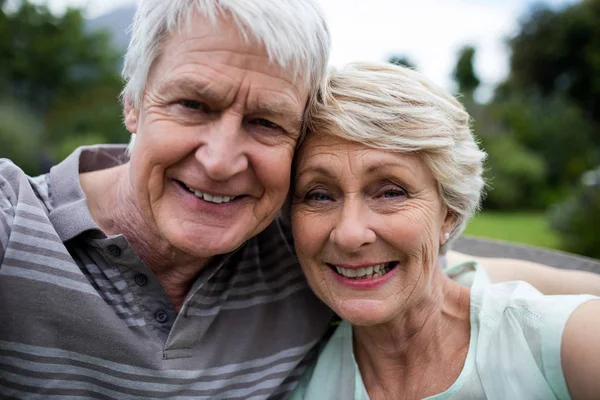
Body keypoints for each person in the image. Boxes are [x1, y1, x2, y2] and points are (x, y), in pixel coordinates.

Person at [0, 1, 598, 398]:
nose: (220, 159)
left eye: (265, 121)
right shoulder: (13, 223)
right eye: (193, 104)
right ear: (132, 102)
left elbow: (455, 272)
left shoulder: (300, 246)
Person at [289, 62, 600, 399]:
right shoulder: (298, 378)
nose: (349, 234)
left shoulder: (562, 341)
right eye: (319, 195)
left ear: (449, 213)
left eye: (391, 192)